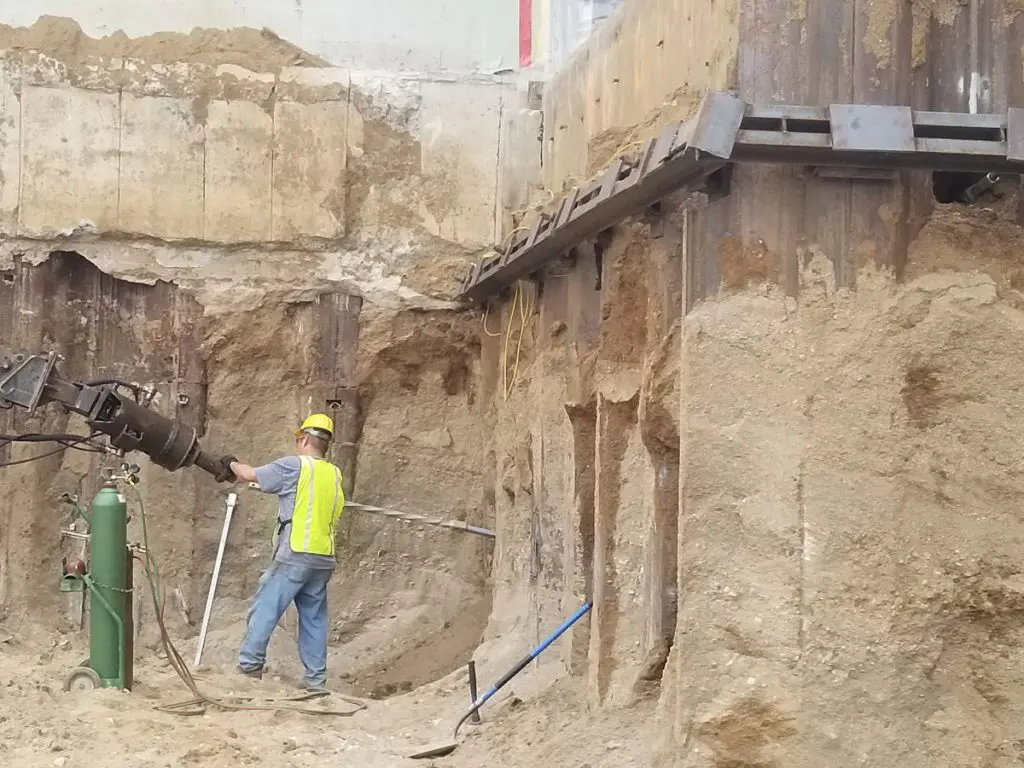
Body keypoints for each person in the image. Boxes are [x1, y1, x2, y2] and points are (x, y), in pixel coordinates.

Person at [226, 413, 345, 691]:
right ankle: (316, 682)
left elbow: (248, 474)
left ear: (304, 438)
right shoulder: (334, 474)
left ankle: (249, 668)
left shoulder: (295, 467)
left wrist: (230, 463)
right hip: (323, 558)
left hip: (295, 554)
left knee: (266, 608)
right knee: (314, 620)